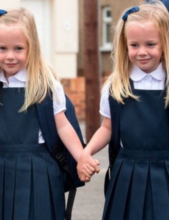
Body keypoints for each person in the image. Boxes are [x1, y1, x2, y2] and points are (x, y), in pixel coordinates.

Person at [0, 8, 85, 220]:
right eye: (2, 48)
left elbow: (63, 126)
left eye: (18, 48)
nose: (10, 56)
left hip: (42, 171)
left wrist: (81, 157)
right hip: (3, 170)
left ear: (31, 47)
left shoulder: (46, 84)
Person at [77, 1, 169, 219]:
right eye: (134, 45)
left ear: (164, 43)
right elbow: (107, 128)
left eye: (150, 44)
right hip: (127, 175)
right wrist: (86, 152)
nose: (142, 52)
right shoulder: (116, 85)